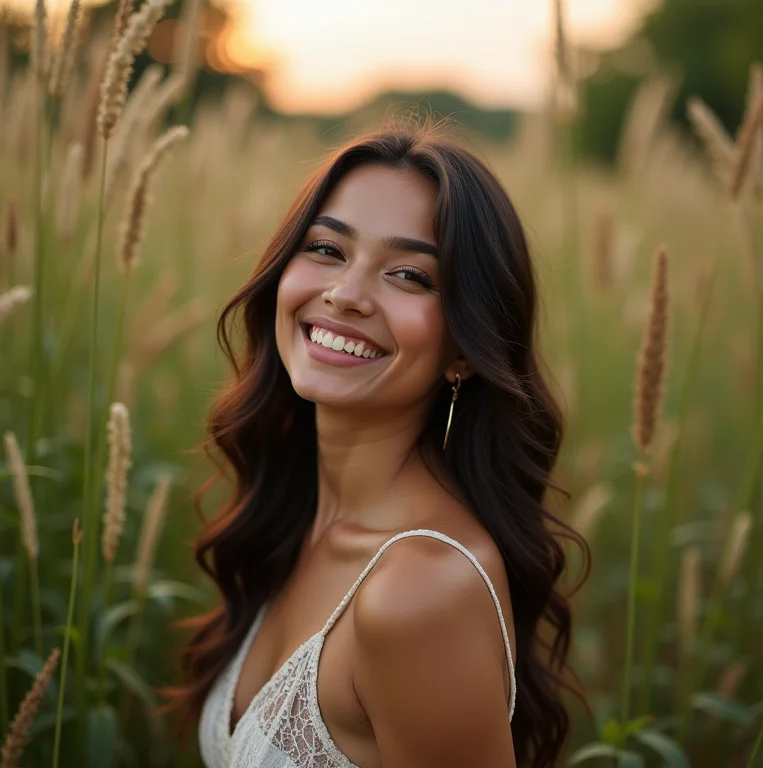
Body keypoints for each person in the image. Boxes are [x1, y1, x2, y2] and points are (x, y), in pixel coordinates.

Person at [161, 118, 587, 767]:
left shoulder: (420, 593)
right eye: (327, 250)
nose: (345, 294)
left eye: (410, 276)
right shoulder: (298, 518)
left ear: (465, 352)